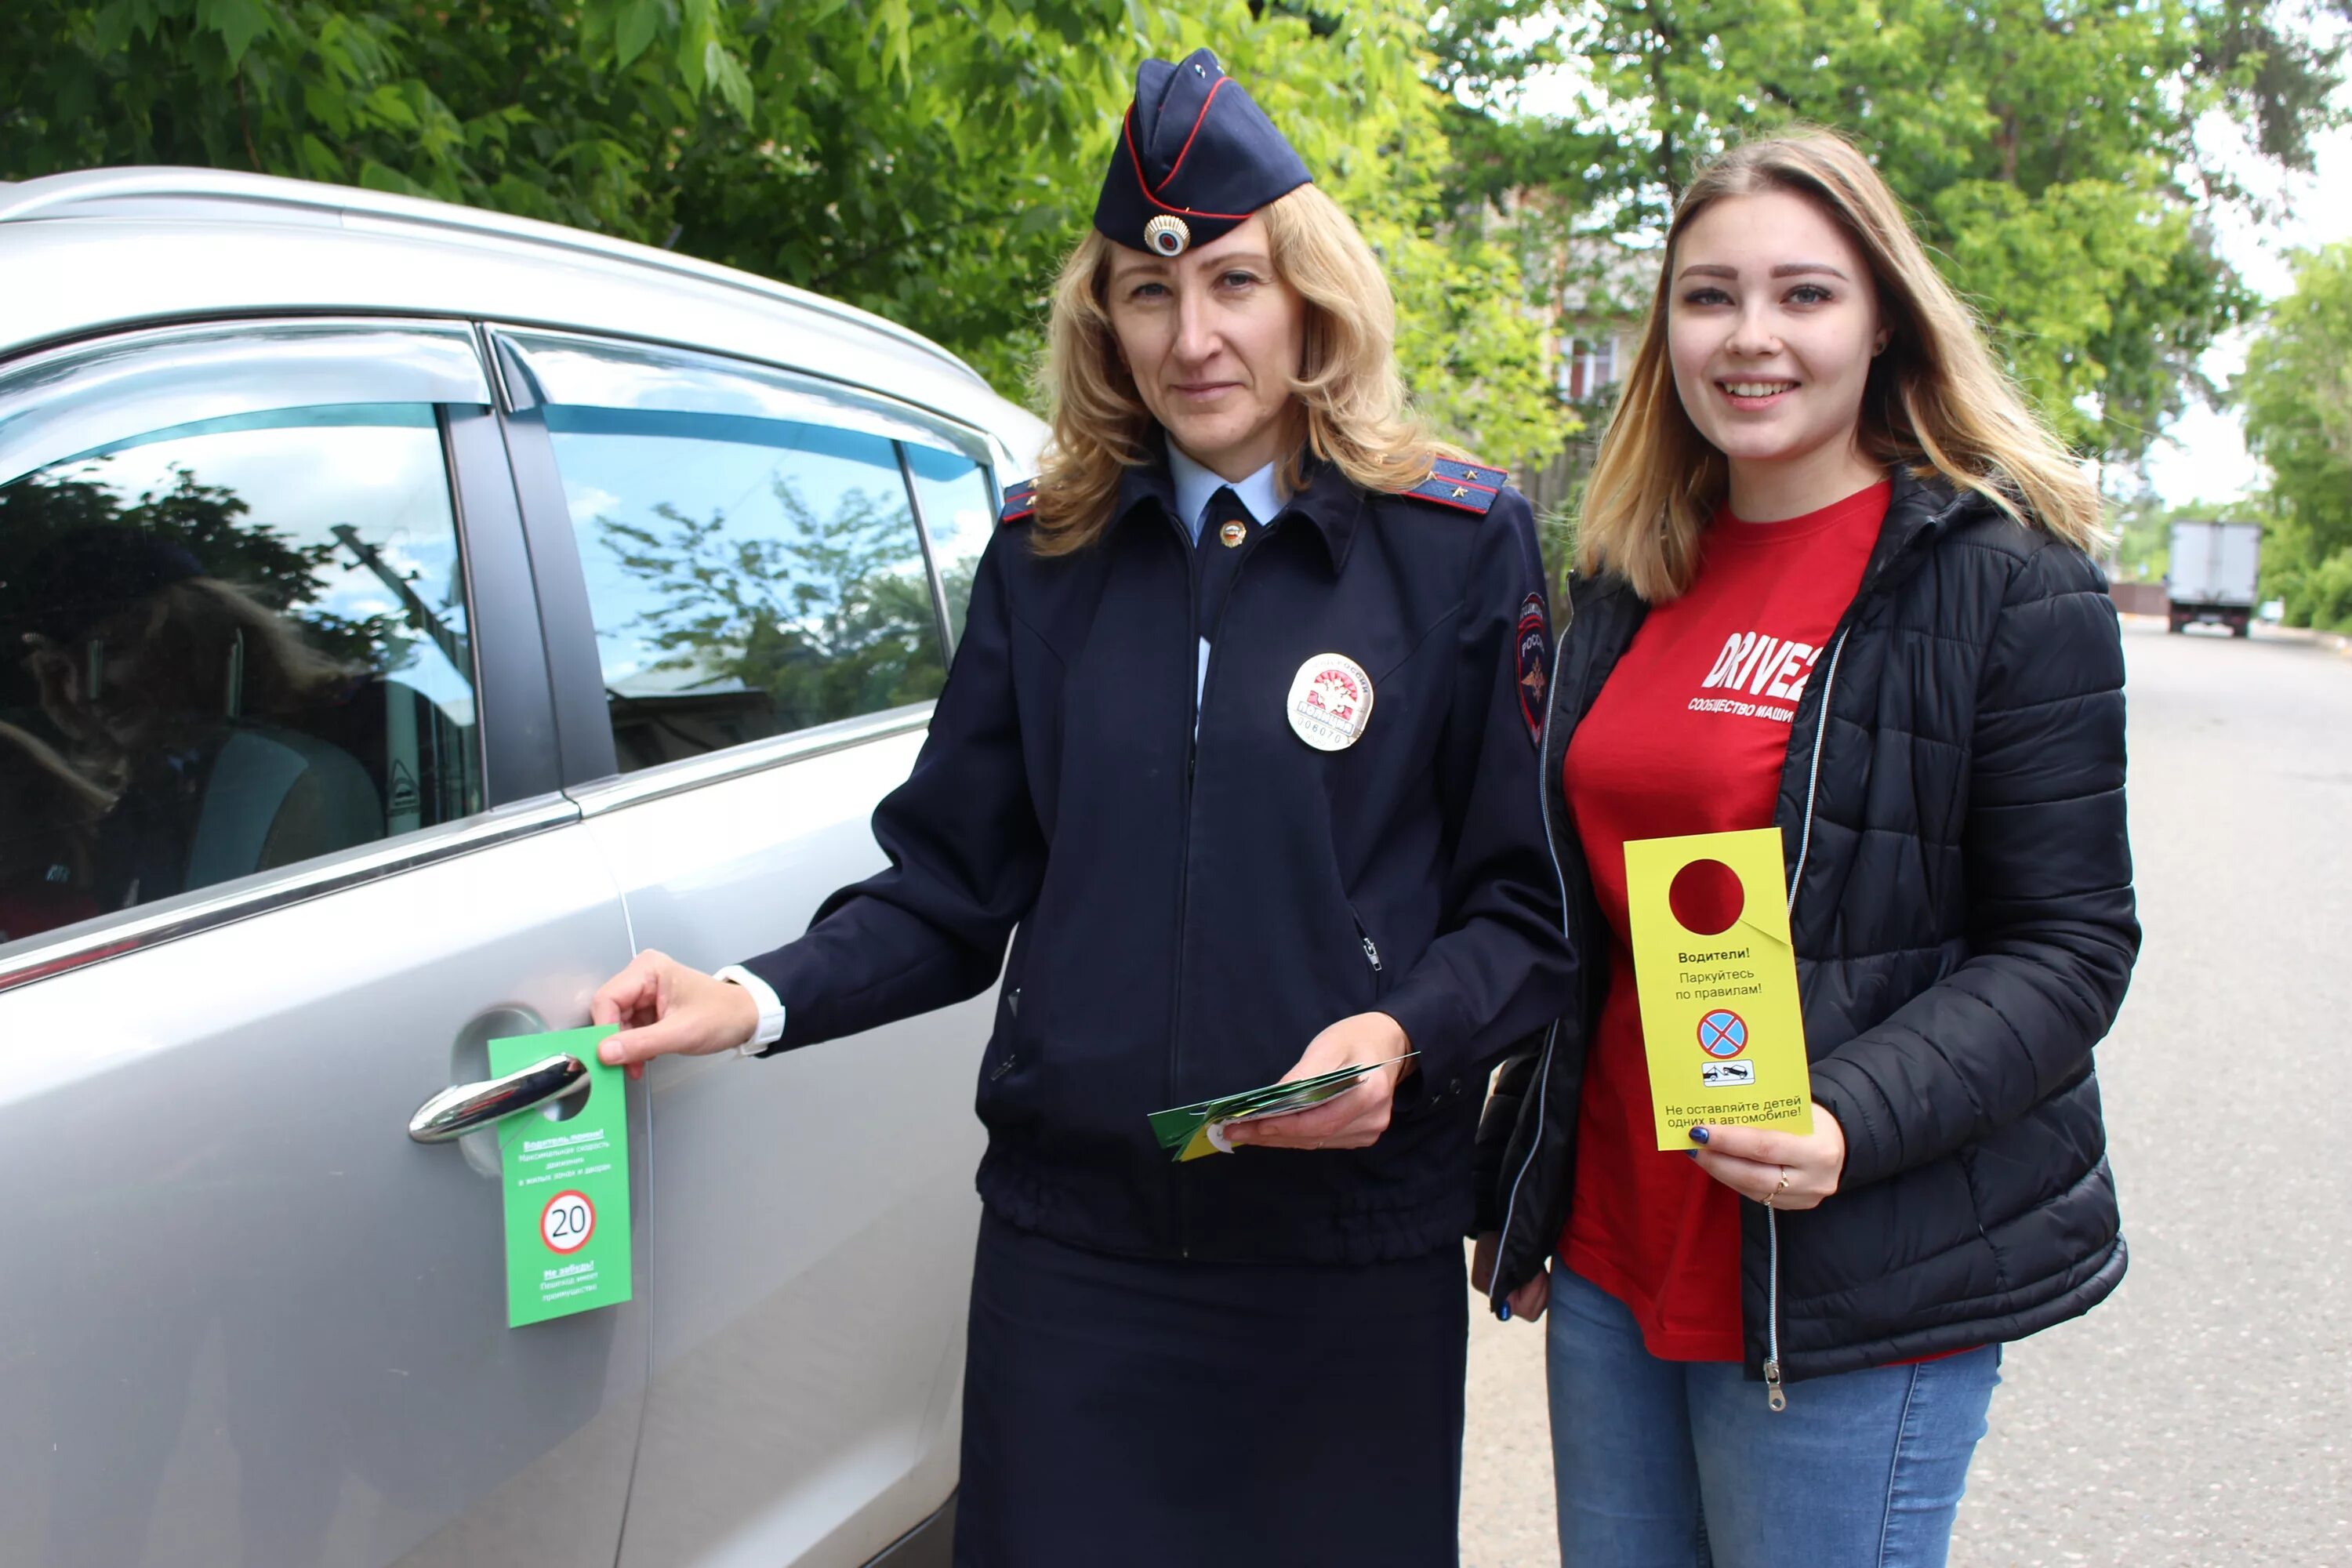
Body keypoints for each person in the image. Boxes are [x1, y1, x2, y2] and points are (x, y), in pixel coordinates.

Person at [588, 48, 1572, 1566]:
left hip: (1341, 1258)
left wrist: (1404, 1034)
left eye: (1235, 283)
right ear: (1101, 318)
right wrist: (747, 997)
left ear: (1308, 293)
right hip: (1079, 1255)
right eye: (1147, 292)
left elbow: (1525, 907)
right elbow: (949, 884)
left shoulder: (1451, 546)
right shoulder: (1048, 558)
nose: (1195, 336)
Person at [1468, 129, 2140, 1568]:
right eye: (1709, 297)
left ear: (1883, 315)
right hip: (1618, 1246)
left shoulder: (2005, 582)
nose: (1751, 338)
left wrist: (1849, 1118)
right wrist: (1522, 1176)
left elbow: (2071, 946)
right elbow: (1584, 926)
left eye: (1804, 295)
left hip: (1848, 1269)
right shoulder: (1630, 573)